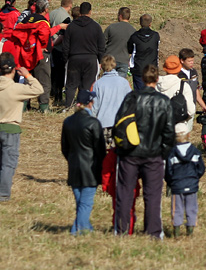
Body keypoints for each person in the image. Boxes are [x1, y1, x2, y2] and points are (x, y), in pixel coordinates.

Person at [113, 64, 175, 239]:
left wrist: (122, 147)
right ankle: (153, 232)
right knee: (153, 195)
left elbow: (119, 124)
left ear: (142, 78)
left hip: (130, 153)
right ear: (157, 79)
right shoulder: (163, 101)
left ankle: (122, 230)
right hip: (154, 154)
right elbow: (169, 132)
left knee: (125, 193)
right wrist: (163, 153)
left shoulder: (131, 98)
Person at [0, 52, 44, 201]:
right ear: (14, 69)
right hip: (11, 129)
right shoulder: (16, 89)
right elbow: (39, 90)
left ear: (0, 68)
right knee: (8, 164)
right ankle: (3, 195)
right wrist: (28, 75)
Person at [61, 90, 106, 235]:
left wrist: (71, 159)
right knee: (86, 203)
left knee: (80, 203)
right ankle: (77, 231)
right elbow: (100, 149)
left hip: (74, 167)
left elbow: (64, 148)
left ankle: (86, 228)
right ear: (90, 103)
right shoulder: (93, 123)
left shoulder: (68, 122)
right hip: (90, 168)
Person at [7, 0, 60, 112]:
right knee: (44, 79)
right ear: (46, 9)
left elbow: (16, 33)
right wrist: (43, 46)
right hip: (40, 54)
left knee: (27, 78)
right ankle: (44, 106)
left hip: (26, 53)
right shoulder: (43, 22)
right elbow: (44, 35)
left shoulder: (25, 20)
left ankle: (24, 105)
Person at [61, 1, 105, 108]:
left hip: (74, 58)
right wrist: (100, 61)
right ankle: (84, 106)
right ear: (90, 12)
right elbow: (101, 47)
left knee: (71, 85)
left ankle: (68, 106)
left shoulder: (71, 26)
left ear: (80, 12)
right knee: (88, 85)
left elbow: (65, 46)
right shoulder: (96, 26)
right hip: (90, 59)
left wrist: (66, 59)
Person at [165, 129, 206, 235]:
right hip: (191, 184)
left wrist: (170, 182)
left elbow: (168, 171)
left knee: (177, 208)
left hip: (177, 185)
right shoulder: (195, 151)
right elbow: (201, 168)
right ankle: (190, 230)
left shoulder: (171, 153)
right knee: (191, 207)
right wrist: (195, 178)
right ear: (188, 134)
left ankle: (176, 231)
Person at [93, 54, 132, 135]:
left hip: (103, 122)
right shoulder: (124, 82)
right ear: (115, 65)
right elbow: (130, 102)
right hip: (120, 122)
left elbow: (95, 106)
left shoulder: (98, 84)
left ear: (102, 66)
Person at [158, 56, 196, 135]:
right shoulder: (183, 86)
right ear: (179, 68)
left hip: (160, 126)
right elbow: (191, 111)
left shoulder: (156, 84)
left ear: (165, 68)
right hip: (179, 128)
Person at [127, 13, 160, 91]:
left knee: (139, 93)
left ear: (140, 23)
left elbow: (129, 49)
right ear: (150, 24)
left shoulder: (134, 36)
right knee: (151, 92)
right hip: (152, 69)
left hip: (138, 68)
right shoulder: (155, 36)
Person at [104, 7, 136, 78]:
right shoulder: (133, 31)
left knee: (108, 82)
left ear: (120, 16)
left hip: (110, 60)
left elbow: (103, 43)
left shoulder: (111, 27)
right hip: (124, 60)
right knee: (120, 83)